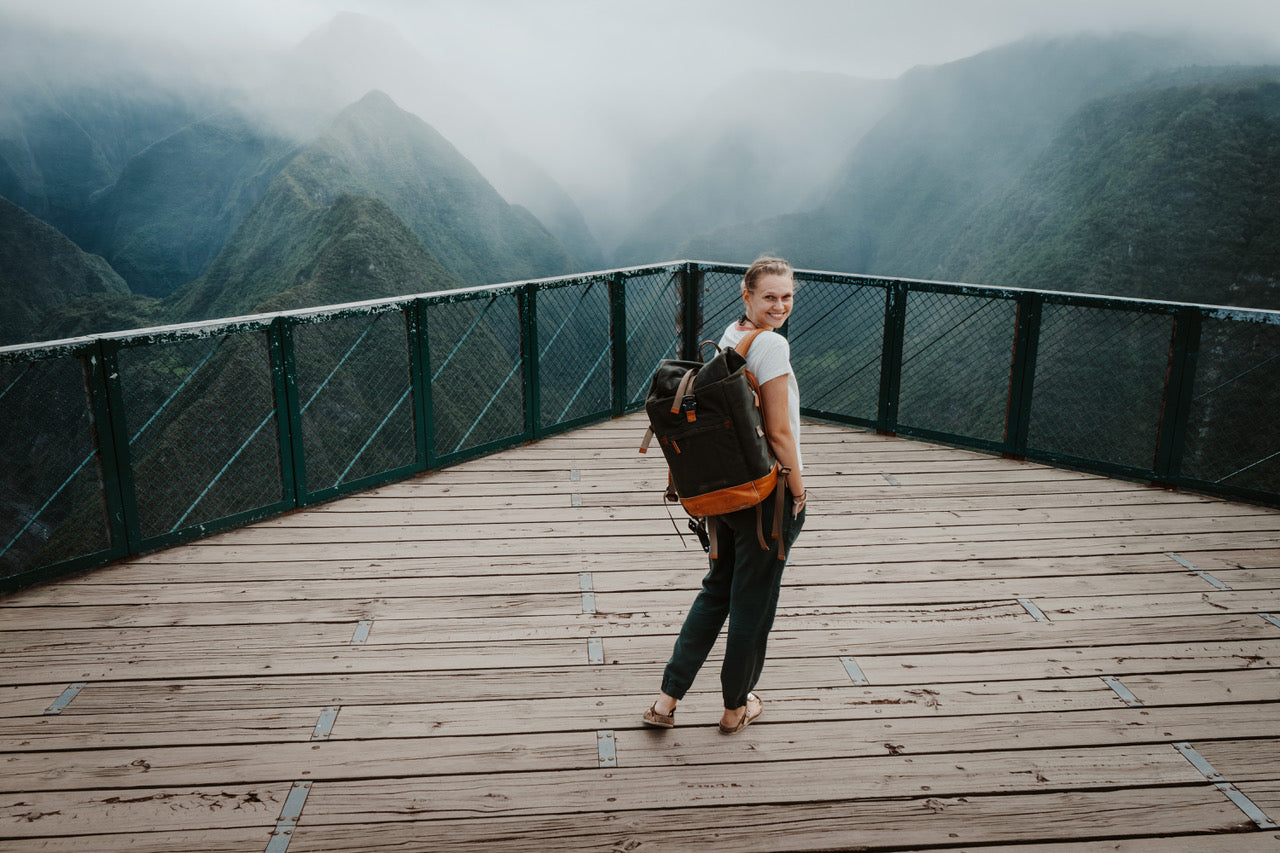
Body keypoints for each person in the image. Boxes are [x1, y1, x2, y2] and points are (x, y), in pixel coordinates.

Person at [642, 255, 807, 734]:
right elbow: (778, 432)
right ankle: (736, 706)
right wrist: (798, 491)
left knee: (717, 590)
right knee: (753, 603)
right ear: (748, 295)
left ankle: (666, 701)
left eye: (787, 297)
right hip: (765, 491)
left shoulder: (734, 334)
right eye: (770, 297)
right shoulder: (772, 344)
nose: (779, 306)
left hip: (726, 492)